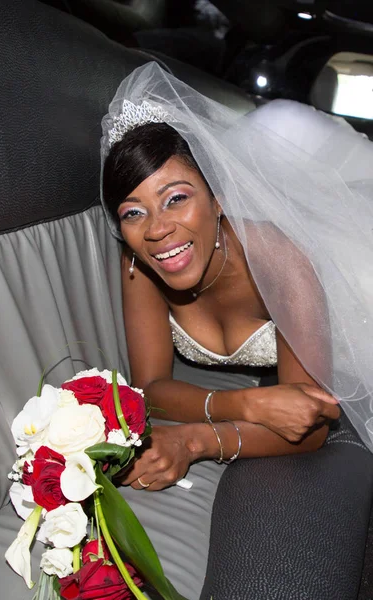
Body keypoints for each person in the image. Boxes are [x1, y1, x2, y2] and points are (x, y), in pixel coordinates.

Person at [99, 62, 373, 597]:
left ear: (218, 196)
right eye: (134, 212)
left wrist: (197, 440)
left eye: (177, 197)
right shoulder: (141, 263)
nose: (158, 229)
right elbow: (150, 389)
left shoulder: (278, 257)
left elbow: (313, 424)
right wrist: (245, 405)